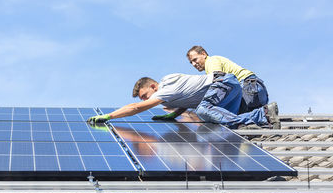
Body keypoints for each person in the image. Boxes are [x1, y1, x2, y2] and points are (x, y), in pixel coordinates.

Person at [87, 72, 280, 129]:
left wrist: (110, 116)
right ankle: (265, 117)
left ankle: (261, 114)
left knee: (203, 110)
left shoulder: (165, 87)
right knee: (217, 123)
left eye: (146, 95)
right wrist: (174, 114)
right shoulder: (171, 90)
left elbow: (137, 107)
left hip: (223, 83)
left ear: (153, 87)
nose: (148, 100)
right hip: (225, 89)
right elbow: (187, 98)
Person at [186, 45, 269, 114]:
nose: (193, 64)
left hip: (248, 87)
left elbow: (218, 81)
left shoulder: (211, 61)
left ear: (203, 54)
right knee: (256, 119)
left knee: (230, 116)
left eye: (195, 60)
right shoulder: (213, 63)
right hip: (256, 88)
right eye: (191, 62)